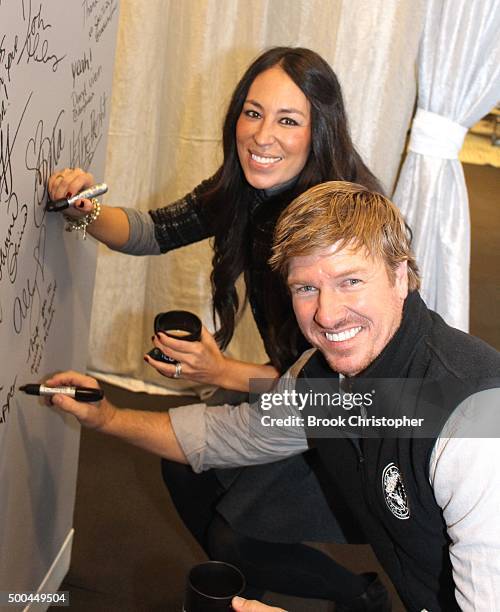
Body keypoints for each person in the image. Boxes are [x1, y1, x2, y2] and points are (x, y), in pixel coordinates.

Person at [45, 181, 500, 611]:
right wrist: (107, 417)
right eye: (307, 288)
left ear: (400, 276)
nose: (327, 313)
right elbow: (236, 435)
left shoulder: (472, 422)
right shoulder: (326, 378)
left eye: (351, 281)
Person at [48, 49, 387, 607]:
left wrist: (223, 371)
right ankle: (250, 585)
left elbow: (340, 383)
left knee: (234, 533)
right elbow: (150, 231)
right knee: (187, 474)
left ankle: (360, 599)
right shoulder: (248, 189)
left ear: (319, 131)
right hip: (294, 393)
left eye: (287, 120)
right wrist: (78, 207)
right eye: (252, 113)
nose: (262, 136)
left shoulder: (338, 226)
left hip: (355, 419)